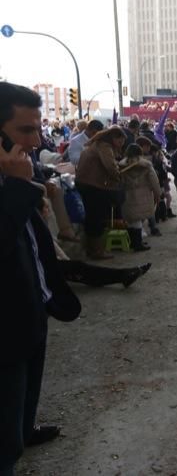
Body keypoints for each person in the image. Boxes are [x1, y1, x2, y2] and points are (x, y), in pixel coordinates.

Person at [0, 82, 82, 475]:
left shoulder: (16, 171)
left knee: (23, 403)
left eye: (38, 129)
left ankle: (24, 429)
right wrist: (18, 187)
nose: (36, 141)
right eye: (25, 130)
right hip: (5, 331)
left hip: (30, 313)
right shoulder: (12, 178)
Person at [75, 126, 126, 260]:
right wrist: (118, 176)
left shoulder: (97, 144)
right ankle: (97, 251)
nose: (121, 144)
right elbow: (110, 166)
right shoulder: (104, 146)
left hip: (86, 183)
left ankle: (93, 249)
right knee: (96, 217)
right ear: (114, 138)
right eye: (120, 141)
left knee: (93, 217)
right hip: (93, 185)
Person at [120, 144, 161, 252]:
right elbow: (154, 180)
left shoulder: (121, 165)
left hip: (127, 195)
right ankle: (138, 244)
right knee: (138, 220)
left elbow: (119, 181)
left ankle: (133, 242)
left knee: (131, 219)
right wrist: (158, 193)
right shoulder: (146, 165)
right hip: (143, 195)